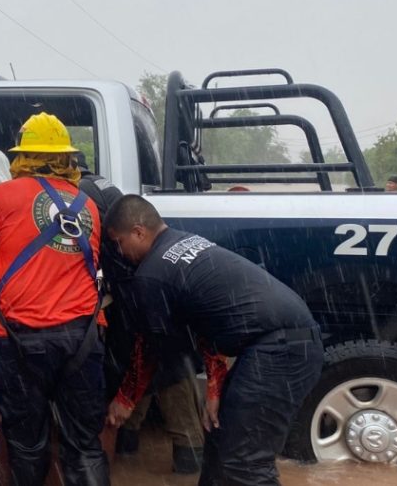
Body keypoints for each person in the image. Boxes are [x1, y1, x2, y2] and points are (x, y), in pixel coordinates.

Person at [105, 195, 323, 486]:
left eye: (119, 242)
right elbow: (207, 323)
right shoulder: (186, 241)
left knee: (244, 461)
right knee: (220, 444)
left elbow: (150, 349)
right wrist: (214, 388)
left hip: (280, 349)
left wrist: (125, 399)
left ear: (138, 232)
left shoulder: (151, 275)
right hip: (286, 340)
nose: (119, 253)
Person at [0, 113, 109, 485]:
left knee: (27, 444)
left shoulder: (2, 196)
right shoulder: (88, 205)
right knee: (84, 445)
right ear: (66, 157)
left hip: (21, 341)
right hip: (82, 339)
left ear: (22, 157)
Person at [74, 152, 205, 471]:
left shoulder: (79, 196)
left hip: (139, 300)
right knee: (147, 367)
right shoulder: (102, 187)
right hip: (146, 301)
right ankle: (143, 458)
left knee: (154, 367)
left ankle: (178, 462)